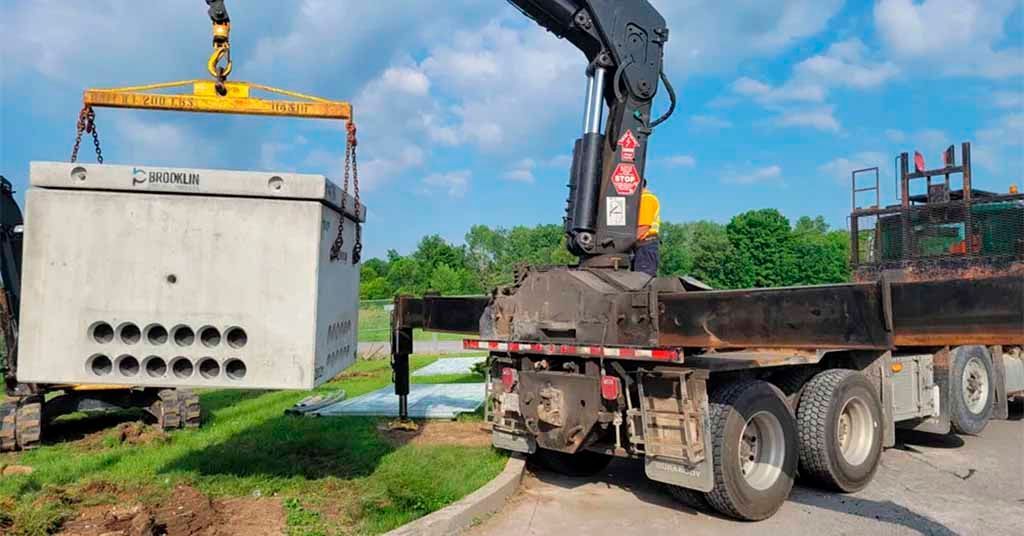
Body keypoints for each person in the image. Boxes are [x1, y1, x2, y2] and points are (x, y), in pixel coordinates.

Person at [633, 180, 660, 277]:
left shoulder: (646, 199)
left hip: (645, 246)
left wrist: (623, 244)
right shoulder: (643, 199)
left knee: (642, 280)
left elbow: (643, 228)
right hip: (644, 246)